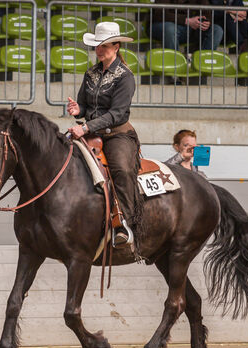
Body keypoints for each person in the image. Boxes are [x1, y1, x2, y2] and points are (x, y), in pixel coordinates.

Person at [66, 21, 142, 247]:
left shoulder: (125, 76)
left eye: (104, 45)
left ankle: (124, 223)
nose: (99, 49)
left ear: (116, 46)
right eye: (97, 46)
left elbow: (117, 114)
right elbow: (84, 105)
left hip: (117, 135)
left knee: (121, 168)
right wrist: (78, 110)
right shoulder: (90, 73)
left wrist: (86, 126)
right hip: (90, 131)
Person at [147, 0, 224, 53]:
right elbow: (160, 14)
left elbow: (207, 11)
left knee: (217, 30)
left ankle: (202, 64)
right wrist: (187, 21)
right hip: (161, 25)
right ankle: (174, 66)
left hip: (187, 28)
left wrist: (205, 22)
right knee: (170, 28)